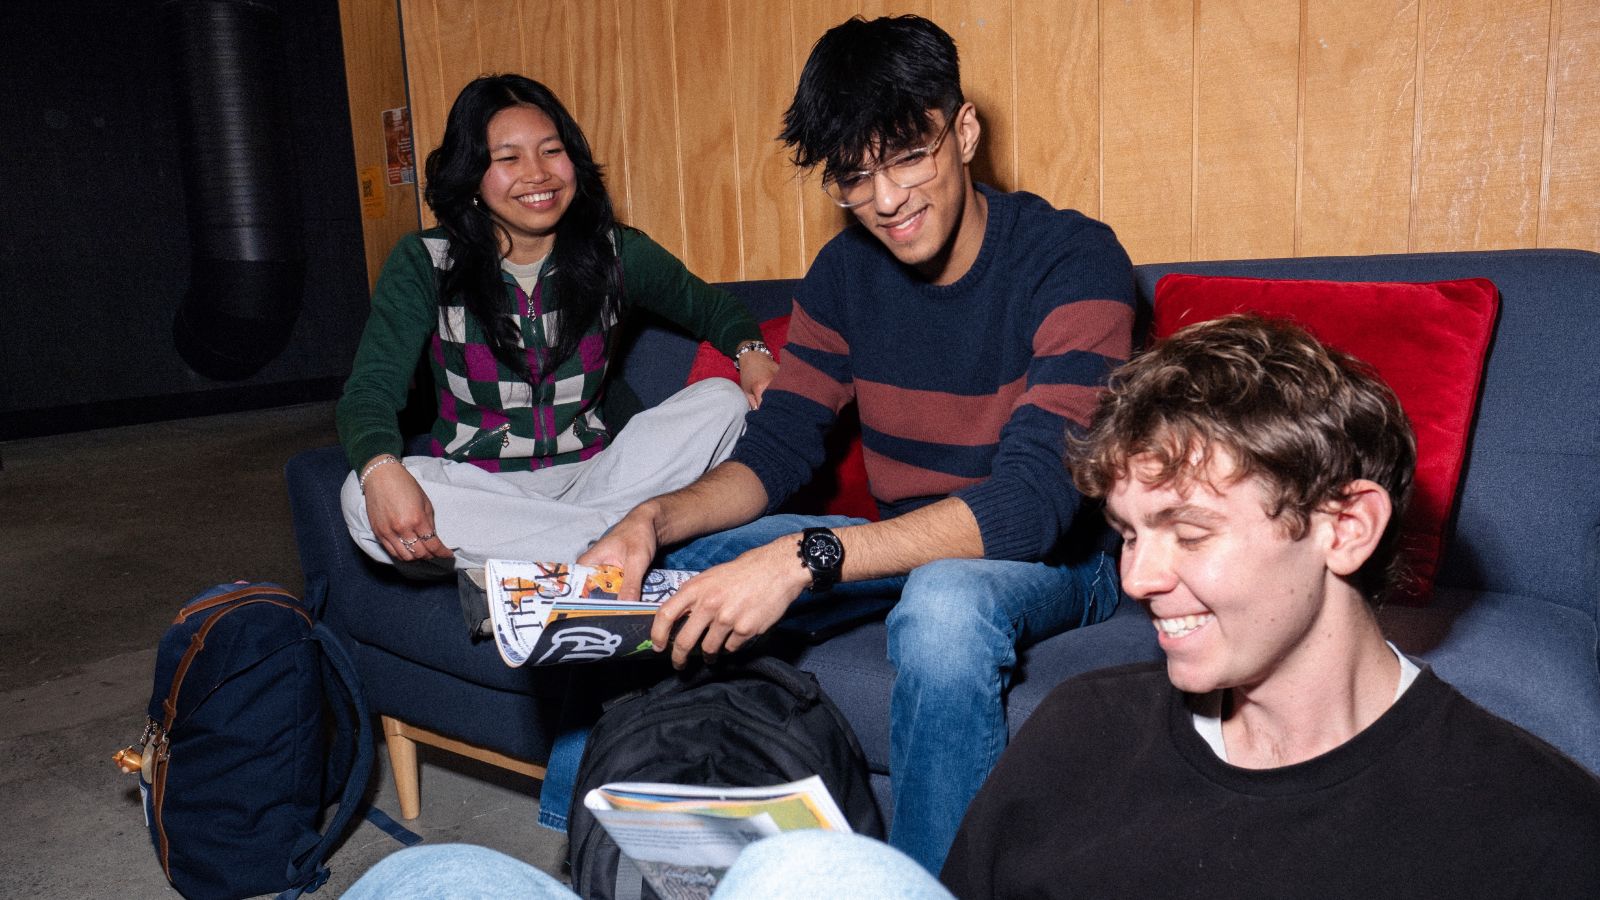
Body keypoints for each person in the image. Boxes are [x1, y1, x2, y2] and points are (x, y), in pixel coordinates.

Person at [578, 15, 1136, 872]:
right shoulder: (843, 275)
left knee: (944, 607)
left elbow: (1031, 508)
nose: (886, 200)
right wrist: (649, 520)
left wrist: (805, 558)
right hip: (904, 543)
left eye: (909, 157)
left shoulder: (1074, 258)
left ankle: (919, 889)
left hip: (1058, 559)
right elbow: (775, 452)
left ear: (965, 132)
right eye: (854, 177)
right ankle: (619, 853)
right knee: (669, 568)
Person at [938, 314, 1600, 898]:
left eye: (1189, 532)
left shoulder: (1537, 832)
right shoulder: (1075, 733)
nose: (1136, 579)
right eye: (1129, 535)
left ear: (1346, 529)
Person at [336, 74, 777, 576]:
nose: (538, 174)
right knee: (360, 496)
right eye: (508, 158)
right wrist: (379, 468)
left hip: (600, 476)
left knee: (723, 401)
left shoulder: (616, 253)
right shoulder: (426, 262)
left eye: (551, 151)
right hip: (485, 493)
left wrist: (752, 353)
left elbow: (715, 309)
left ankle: (552, 555)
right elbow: (370, 390)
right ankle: (615, 540)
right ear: (472, 174)